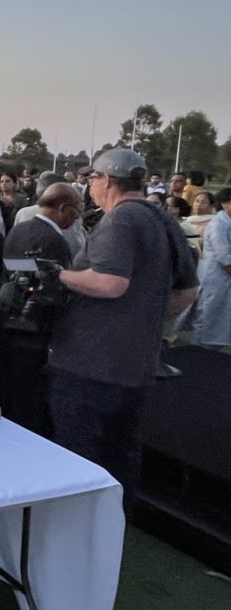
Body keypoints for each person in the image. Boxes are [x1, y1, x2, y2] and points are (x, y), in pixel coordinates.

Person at [48, 149, 197, 512]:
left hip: (90, 364)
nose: (89, 186)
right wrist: (144, 321)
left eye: (91, 179)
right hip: (137, 366)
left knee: (78, 452)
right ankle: (113, 528)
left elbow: (112, 282)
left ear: (108, 180)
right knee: (122, 453)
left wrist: (60, 275)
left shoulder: (120, 220)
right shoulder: (162, 220)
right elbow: (189, 290)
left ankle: (74, 530)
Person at [0, 183, 81, 437]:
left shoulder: (18, 231)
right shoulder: (55, 241)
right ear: (63, 208)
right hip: (35, 333)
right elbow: (54, 290)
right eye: (76, 212)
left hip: (7, 326)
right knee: (29, 399)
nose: (77, 218)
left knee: (9, 394)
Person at [192, 188, 231, 350]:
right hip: (214, 279)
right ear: (225, 204)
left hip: (223, 281)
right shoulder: (218, 225)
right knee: (207, 318)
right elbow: (224, 258)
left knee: (219, 320)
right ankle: (198, 354)